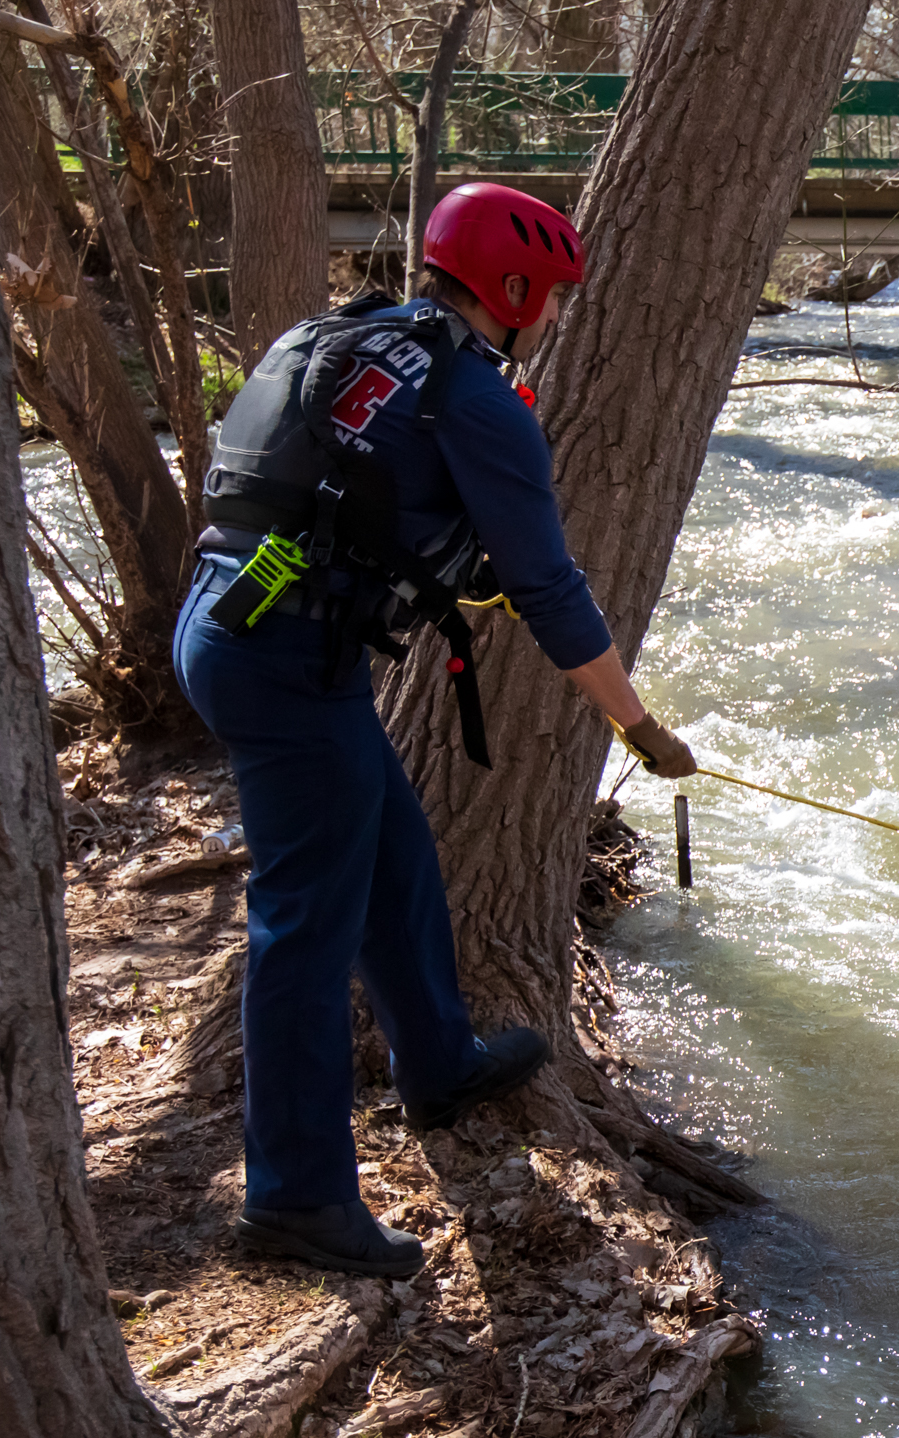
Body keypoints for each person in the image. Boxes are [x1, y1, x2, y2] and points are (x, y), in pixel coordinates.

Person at [173, 182, 700, 1280]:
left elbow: (326, 487)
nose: (552, 315)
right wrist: (638, 726)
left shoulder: (337, 331)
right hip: (289, 664)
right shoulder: (478, 399)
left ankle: (440, 1059)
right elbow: (551, 589)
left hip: (229, 623)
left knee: (395, 854)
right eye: (548, 295)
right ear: (507, 289)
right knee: (304, 929)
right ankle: (296, 1197)